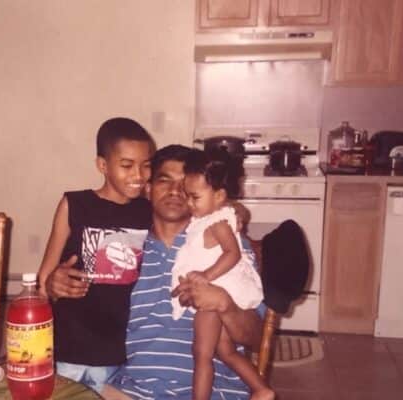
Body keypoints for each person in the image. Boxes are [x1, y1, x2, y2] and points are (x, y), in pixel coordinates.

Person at [47, 144, 265, 399]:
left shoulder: (224, 247)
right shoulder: (125, 247)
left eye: (185, 184)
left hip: (213, 392)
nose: (175, 191)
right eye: (165, 181)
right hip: (134, 390)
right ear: (147, 189)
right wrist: (55, 286)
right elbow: (86, 302)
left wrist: (225, 304)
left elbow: (256, 338)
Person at [37, 117, 156, 394]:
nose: (139, 175)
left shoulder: (149, 212)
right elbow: (43, 281)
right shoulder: (75, 204)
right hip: (75, 348)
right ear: (103, 166)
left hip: (127, 349)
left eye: (146, 164)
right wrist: (52, 283)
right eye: (127, 165)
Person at [171, 149, 271, 400]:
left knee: (201, 354)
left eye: (195, 197)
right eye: (187, 196)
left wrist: (206, 275)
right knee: (225, 350)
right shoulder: (210, 217)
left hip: (217, 293)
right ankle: (261, 389)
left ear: (219, 196)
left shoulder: (217, 222)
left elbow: (232, 253)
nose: (189, 203)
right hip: (218, 290)